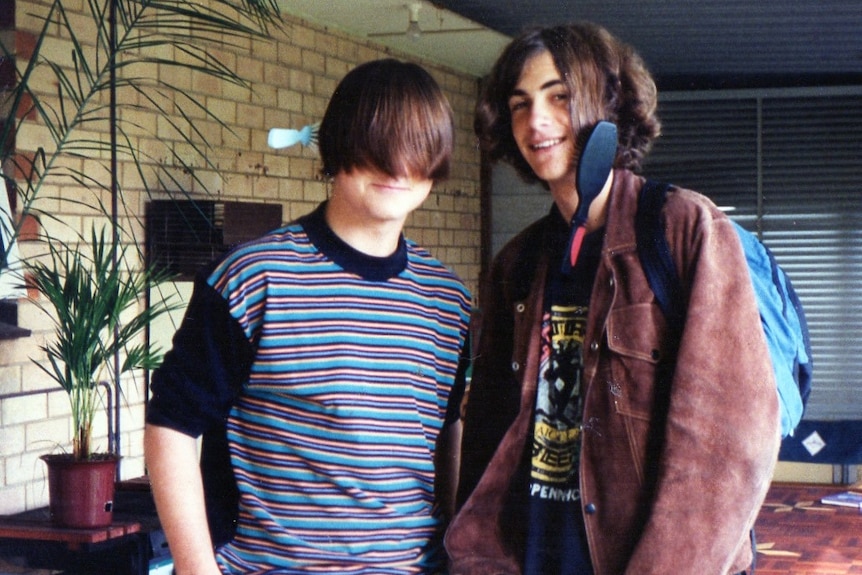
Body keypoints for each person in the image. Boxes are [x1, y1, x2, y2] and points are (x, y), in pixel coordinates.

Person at [445, 22, 780, 575]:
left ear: (608, 103)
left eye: (559, 97)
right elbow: (488, 441)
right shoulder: (518, 264)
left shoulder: (681, 229)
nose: (538, 121)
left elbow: (725, 450)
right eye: (520, 104)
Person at [145, 58, 472, 575]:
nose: (398, 167)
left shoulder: (449, 300)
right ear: (337, 147)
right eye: (378, 146)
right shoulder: (251, 278)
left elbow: (448, 429)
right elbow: (171, 427)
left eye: (417, 148)